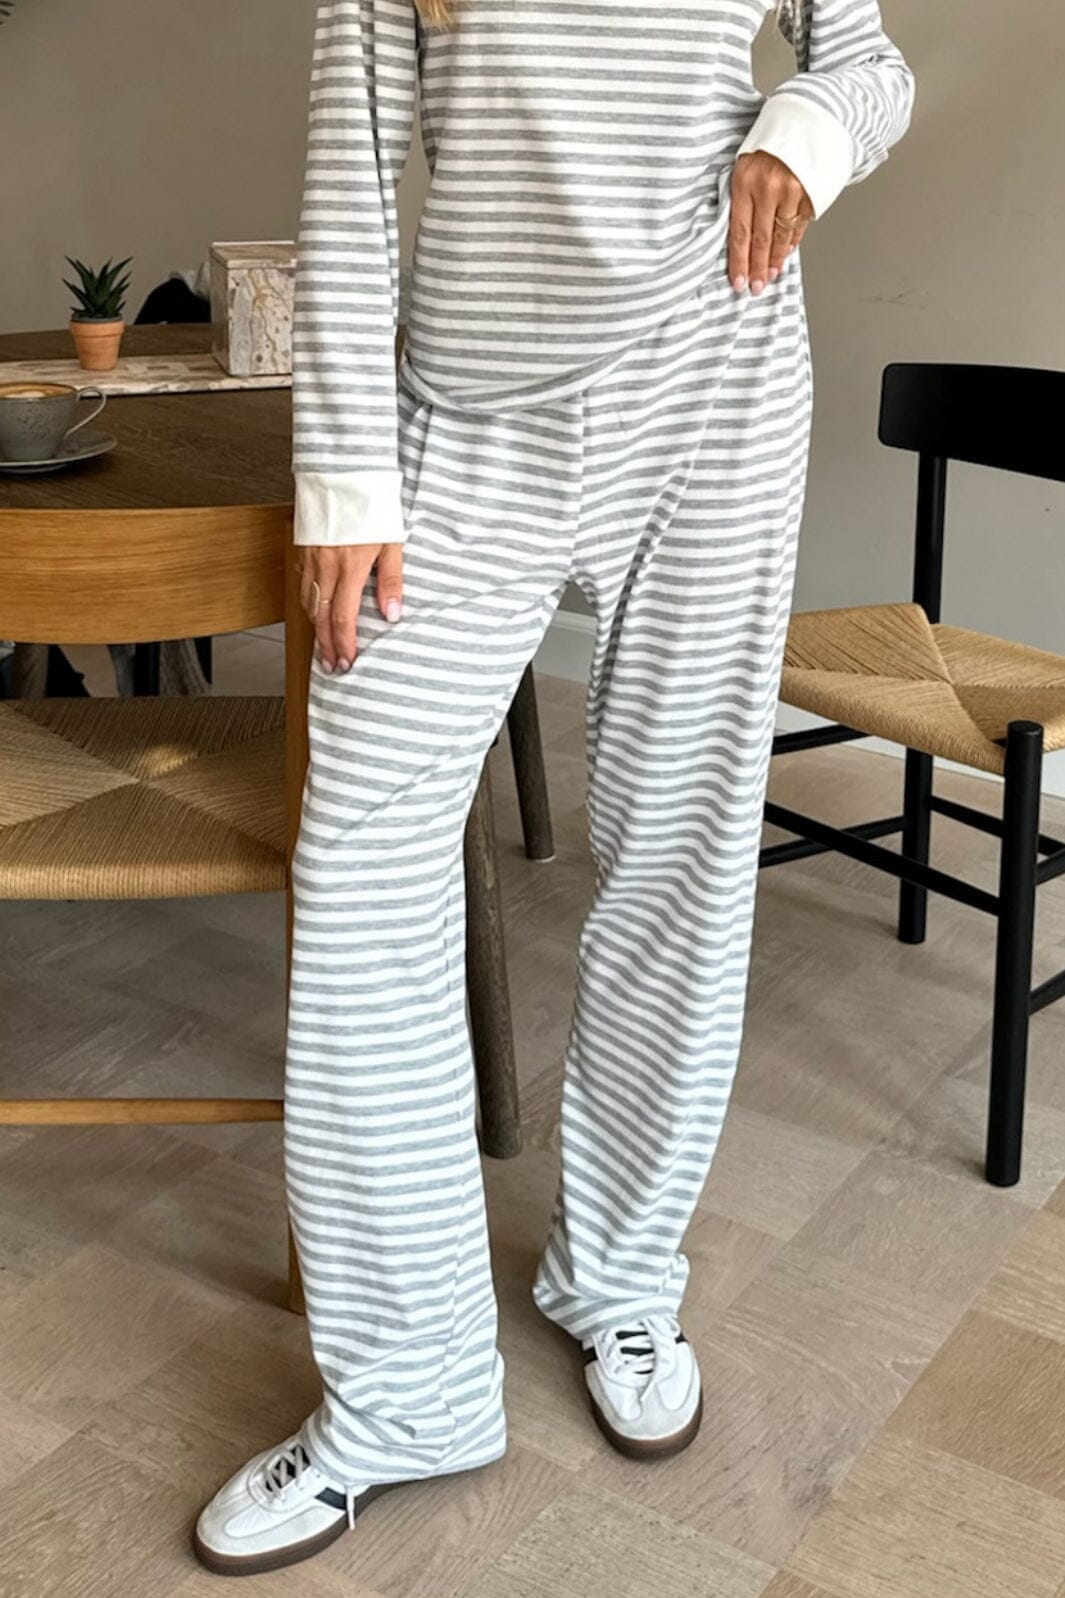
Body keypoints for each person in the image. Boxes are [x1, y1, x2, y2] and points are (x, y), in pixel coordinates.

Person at [194, 0, 914, 1575]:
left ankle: (620, 1278)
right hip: (464, 425)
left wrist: (800, 137)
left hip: (717, 385)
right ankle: (408, 1392)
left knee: (678, 850)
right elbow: (352, 169)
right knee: (361, 869)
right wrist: (345, 474)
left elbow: (867, 60)